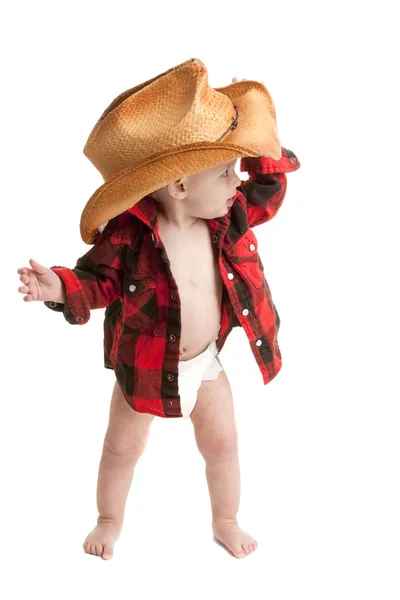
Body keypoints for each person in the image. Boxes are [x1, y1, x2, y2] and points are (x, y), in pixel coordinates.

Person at [16, 59, 300, 560]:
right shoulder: (129, 235)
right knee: (121, 450)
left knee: (223, 447)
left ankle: (226, 519)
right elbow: (96, 282)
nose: (236, 181)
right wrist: (57, 287)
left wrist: (258, 145)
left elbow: (269, 193)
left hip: (205, 366)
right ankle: (108, 520)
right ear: (180, 187)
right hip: (142, 369)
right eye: (225, 171)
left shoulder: (227, 216)